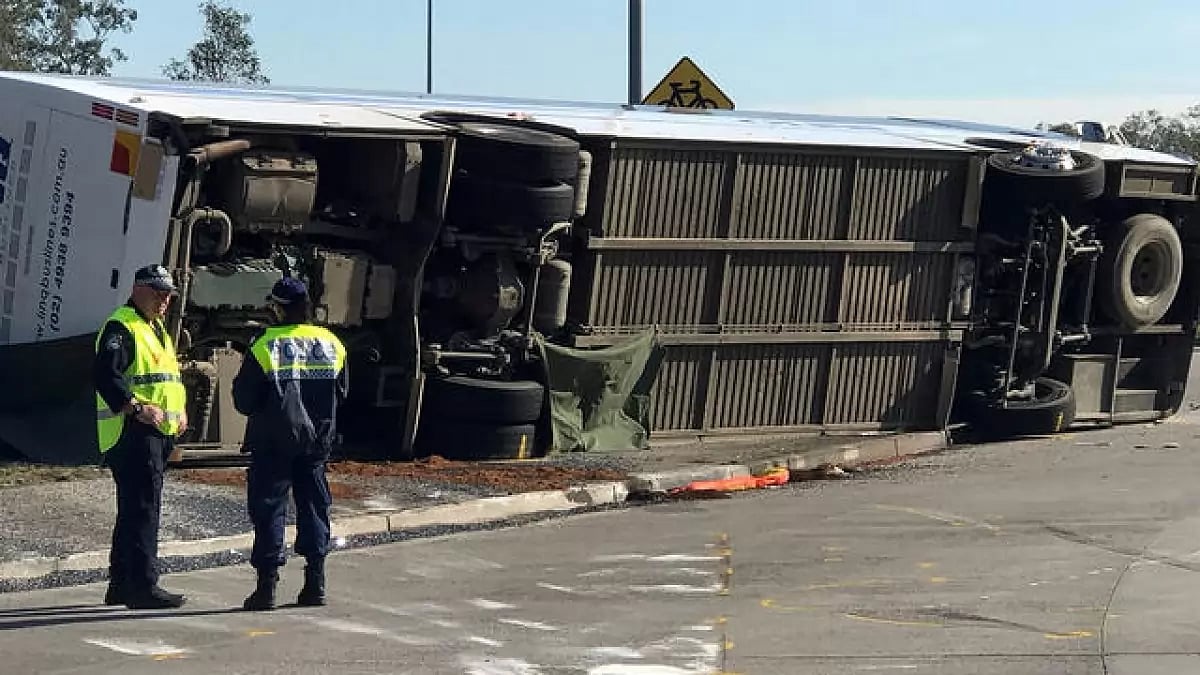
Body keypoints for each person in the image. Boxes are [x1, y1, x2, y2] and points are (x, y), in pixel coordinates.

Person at [233, 276, 348, 611]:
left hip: (273, 443)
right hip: (316, 444)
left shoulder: (263, 345)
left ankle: (266, 589)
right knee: (314, 507)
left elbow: (244, 400)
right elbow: (342, 393)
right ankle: (315, 583)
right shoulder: (331, 343)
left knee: (270, 510)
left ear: (278, 308)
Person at [93, 264, 189, 610]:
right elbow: (105, 375)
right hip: (133, 431)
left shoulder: (154, 326)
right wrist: (135, 407)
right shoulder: (123, 325)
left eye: (168, 295)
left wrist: (179, 411)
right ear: (138, 289)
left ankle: (120, 584)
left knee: (134, 510)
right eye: (158, 292)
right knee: (144, 510)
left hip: (156, 432)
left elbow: (165, 378)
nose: (164, 300)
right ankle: (143, 586)